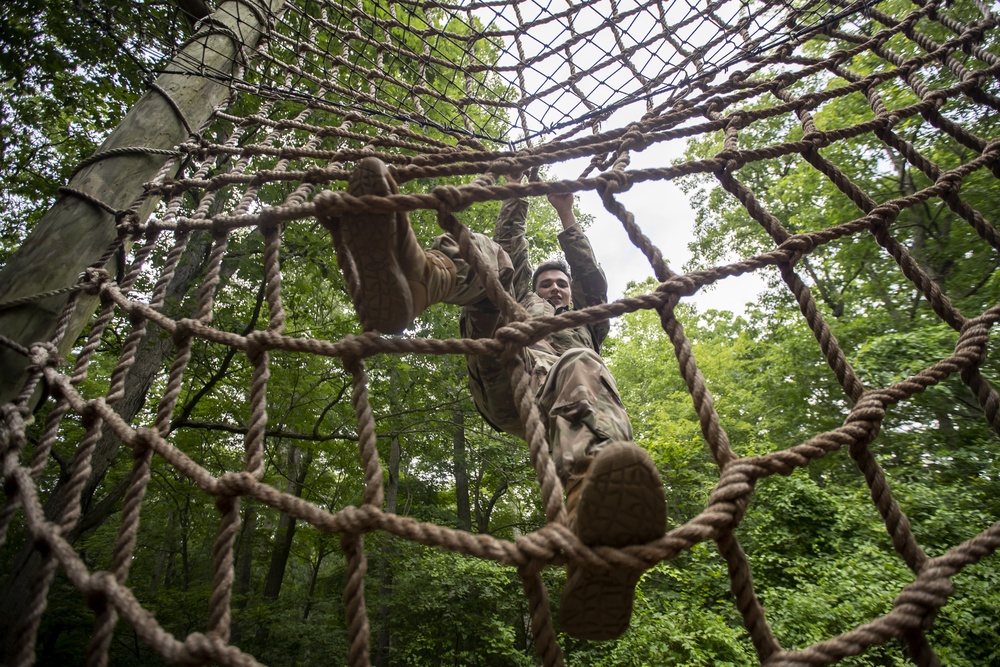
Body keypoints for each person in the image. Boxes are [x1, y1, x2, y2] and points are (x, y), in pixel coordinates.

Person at [320, 157, 665, 641]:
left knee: (580, 364)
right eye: (546, 282)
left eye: (560, 284)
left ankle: (594, 518)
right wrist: (514, 193)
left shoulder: (587, 321)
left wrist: (568, 217)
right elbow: (510, 248)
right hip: (505, 369)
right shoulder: (522, 296)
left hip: (565, 397)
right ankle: (419, 282)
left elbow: (591, 279)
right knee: (490, 257)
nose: (553, 287)